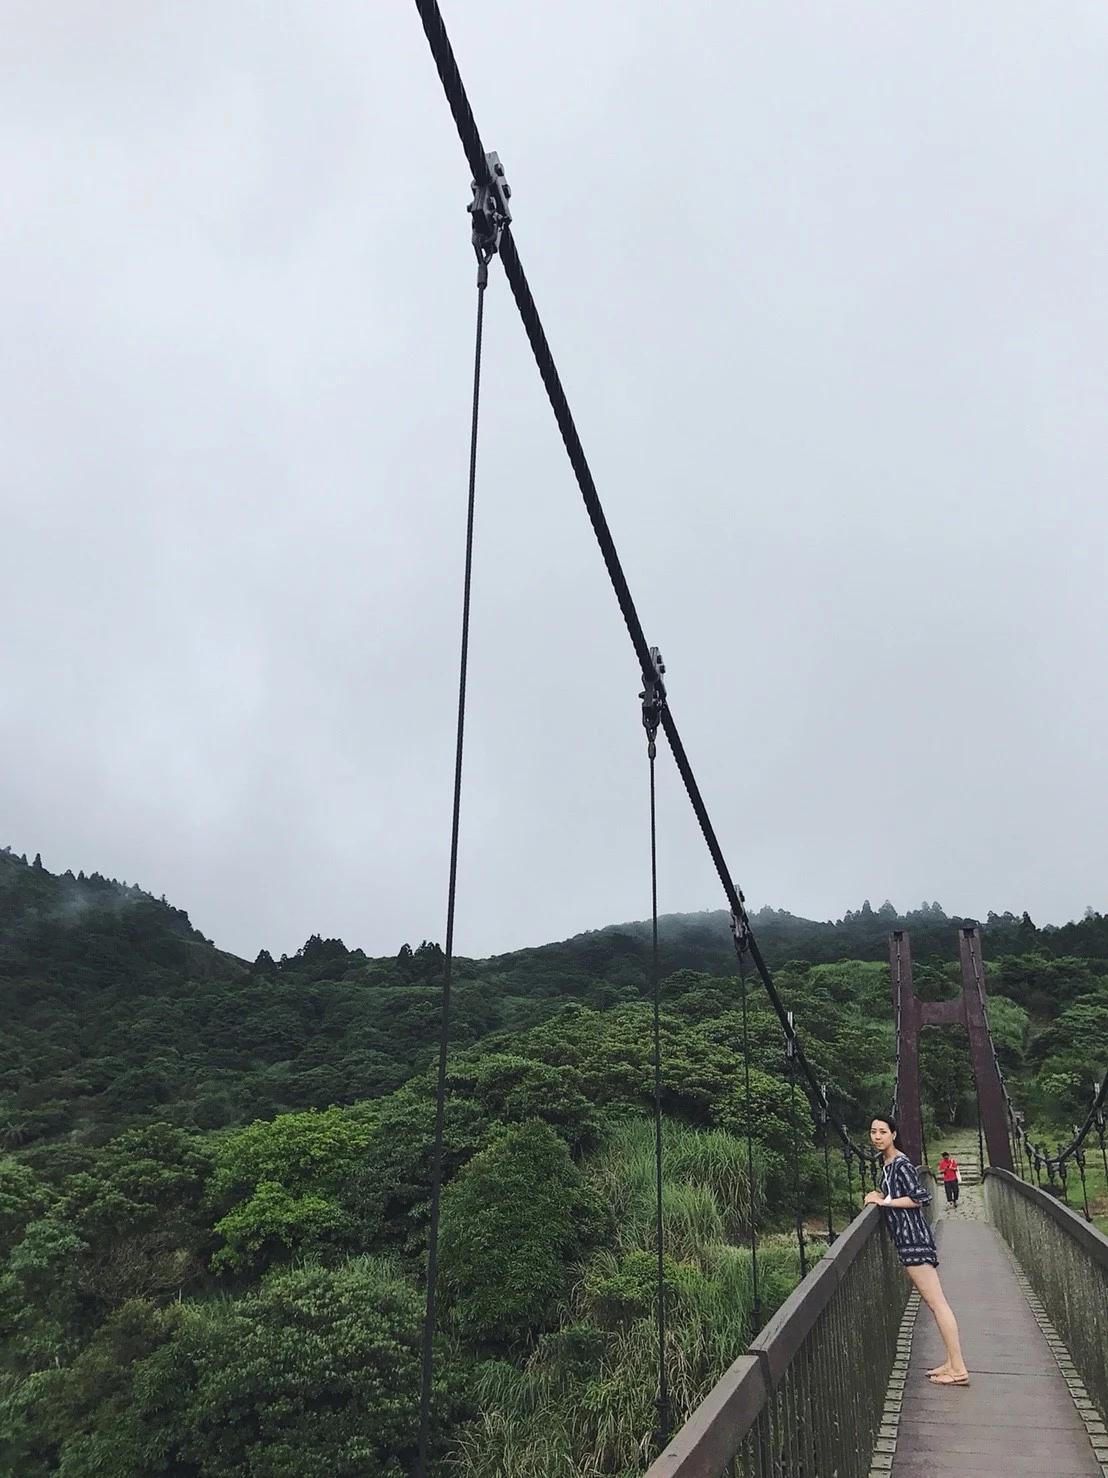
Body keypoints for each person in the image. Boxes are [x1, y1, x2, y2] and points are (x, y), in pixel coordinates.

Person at [864, 1115, 970, 1386]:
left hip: (913, 1240)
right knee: (936, 1303)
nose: (877, 1137)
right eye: (873, 1132)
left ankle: (958, 1368)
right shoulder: (886, 1164)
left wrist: (884, 1201)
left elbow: (920, 1197)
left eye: (883, 1132)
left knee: (937, 1303)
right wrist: (880, 1196)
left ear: (894, 1135)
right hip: (906, 1239)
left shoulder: (900, 1163)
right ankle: (951, 1361)